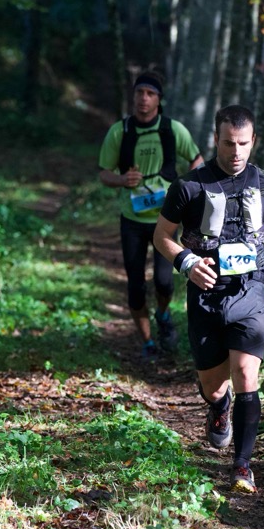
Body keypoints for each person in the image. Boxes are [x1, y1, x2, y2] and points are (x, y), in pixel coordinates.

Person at [153, 103, 264, 494]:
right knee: (214, 386)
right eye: (229, 143)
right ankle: (219, 406)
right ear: (215, 139)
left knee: (247, 374)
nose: (236, 152)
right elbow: (161, 235)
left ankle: (243, 466)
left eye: (243, 144)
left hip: (250, 290)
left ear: (254, 141)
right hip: (205, 295)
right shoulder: (188, 187)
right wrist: (187, 263)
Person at [99, 72, 203, 358]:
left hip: (165, 220)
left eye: (150, 93)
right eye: (139, 92)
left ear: (159, 99)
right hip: (131, 219)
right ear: (133, 96)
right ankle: (147, 343)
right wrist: (122, 180)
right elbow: (104, 173)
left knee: (164, 282)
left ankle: (164, 314)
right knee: (135, 286)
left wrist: (187, 189)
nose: (143, 99)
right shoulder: (119, 131)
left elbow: (197, 159)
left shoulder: (173, 129)